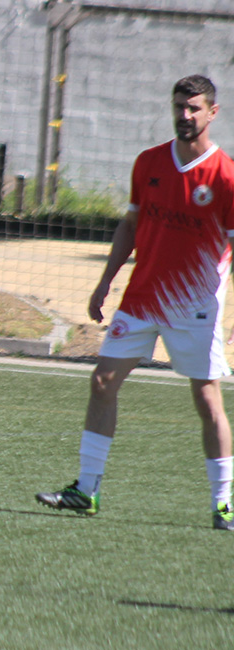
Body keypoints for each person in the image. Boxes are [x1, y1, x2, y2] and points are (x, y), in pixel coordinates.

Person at [36, 75, 234, 530]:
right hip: (141, 298)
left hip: (196, 307)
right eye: (179, 106)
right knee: (102, 382)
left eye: (194, 107)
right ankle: (86, 490)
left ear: (212, 112)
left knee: (207, 399)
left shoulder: (226, 176)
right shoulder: (148, 162)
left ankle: (223, 504)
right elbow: (130, 225)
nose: (185, 115)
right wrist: (105, 281)